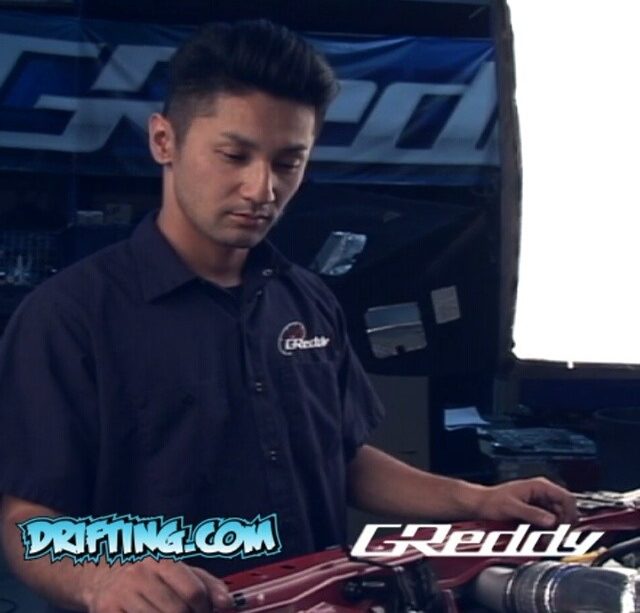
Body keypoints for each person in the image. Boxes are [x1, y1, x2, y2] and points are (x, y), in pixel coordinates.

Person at [0, 19, 576, 613]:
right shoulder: (70, 318)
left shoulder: (307, 301)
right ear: (164, 140)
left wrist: (474, 500)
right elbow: (27, 520)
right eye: (234, 155)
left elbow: (340, 458)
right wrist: (100, 579)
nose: (262, 188)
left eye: (287, 162)